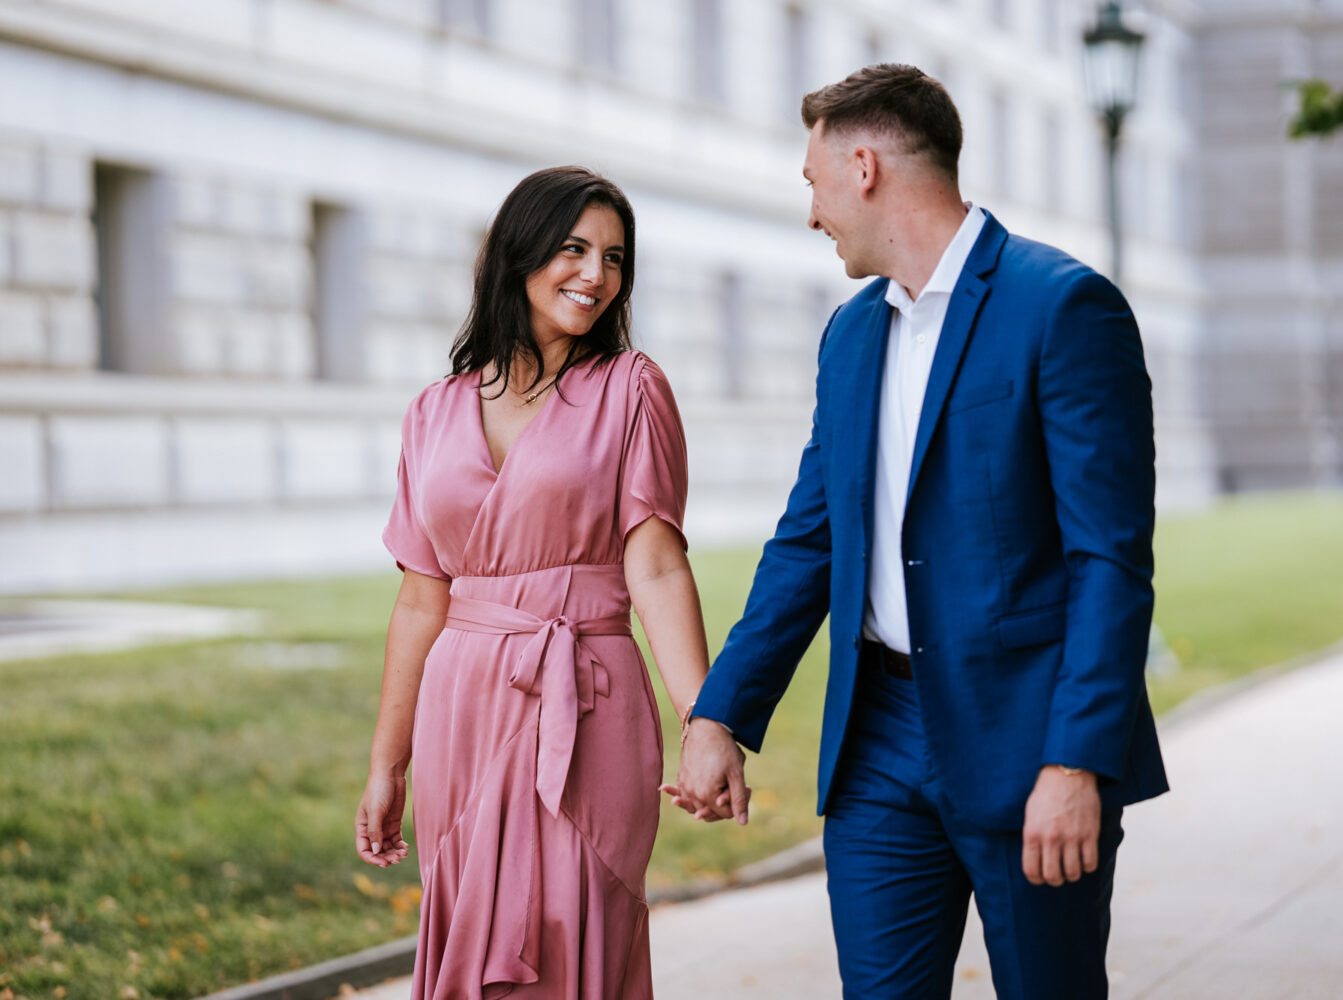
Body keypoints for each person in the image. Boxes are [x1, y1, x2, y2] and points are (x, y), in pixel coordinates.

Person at [671, 65, 1169, 998]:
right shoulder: (850, 335)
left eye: (813, 185)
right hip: (877, 745)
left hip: (1028, 739)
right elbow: (809, 541)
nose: (812, 214)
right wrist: (723, 713)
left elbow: (1110, 561)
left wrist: (1077, 760)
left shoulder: (1063, 307)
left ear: (863, 167)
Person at [356, 166, 711, 1000]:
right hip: (463, 708)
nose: (596, 275)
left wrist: (704, 720)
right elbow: (419, 598)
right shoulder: (432, 410)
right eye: (574, 249)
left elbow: (656, 566)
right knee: (474, 934)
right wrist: (387, 764)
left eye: (615, 259)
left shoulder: (631, 389)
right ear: (518, 254)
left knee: (577, 921)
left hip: (586, 698)